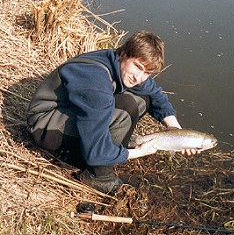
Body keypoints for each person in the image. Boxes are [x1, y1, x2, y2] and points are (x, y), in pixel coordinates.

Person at [27, 30, 196, 194]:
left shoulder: (119, 63)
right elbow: (97, 151)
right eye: (137, 67)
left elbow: (156, 95)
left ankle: (112, 151)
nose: (139, 77)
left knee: (143, 99)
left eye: (147, 73)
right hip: (45, 126)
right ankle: (98, 176)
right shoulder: (96, 81)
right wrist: (139, 152)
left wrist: (176, 130)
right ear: (124, 53)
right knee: (125, 110)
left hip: (70, 111)